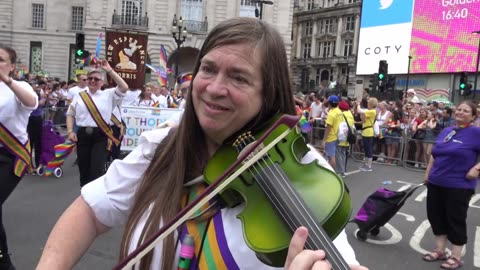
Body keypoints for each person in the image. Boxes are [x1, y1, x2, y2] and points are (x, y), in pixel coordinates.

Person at [37, 18, 366, 270]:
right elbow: (90, 212)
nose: (214, 88)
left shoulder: (308, 172)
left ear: (268, 92)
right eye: (208, 69)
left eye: (238, 77)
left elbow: (339, 258)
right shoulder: (164, 146)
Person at [422, 101, 480, 270]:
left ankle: (456, 257)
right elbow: (435, 154)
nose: (461, 112)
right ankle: (440, 250)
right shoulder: (447, 130)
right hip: (436, 181)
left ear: (474, 116)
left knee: (455, 219)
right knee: (436, 216)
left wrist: (477, 168)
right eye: (459, 109)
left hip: (459, 184)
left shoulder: (475, 132)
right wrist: (427, 173)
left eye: (466, 110)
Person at [0, 44, 38, 270]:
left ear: (12, 66)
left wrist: (8, 81)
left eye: (1, 60)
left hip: (10, 155)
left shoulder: (19, 86)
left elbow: (31, 103)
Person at [65, 60, 128, 187]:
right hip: (82, 135)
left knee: (97, 170)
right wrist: (70, 131)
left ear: (102, 82)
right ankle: (84, 196)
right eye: (90, 79)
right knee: (84, 169)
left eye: (96, 79)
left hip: (101, 135)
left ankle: (95, 198)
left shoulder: (109, 95)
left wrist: (109, 70)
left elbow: (124, 87)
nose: (93, 81)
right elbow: (70, 115)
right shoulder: (79, 96)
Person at [357, 97, 378, 172]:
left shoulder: (372, 111)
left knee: (369, 149)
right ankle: (366, 164)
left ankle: (369, 166)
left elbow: (359, 111)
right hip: (366, 131)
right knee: (366, 148)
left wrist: (358, 104)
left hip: (368, 132)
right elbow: (363, 119)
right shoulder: (371, 111)